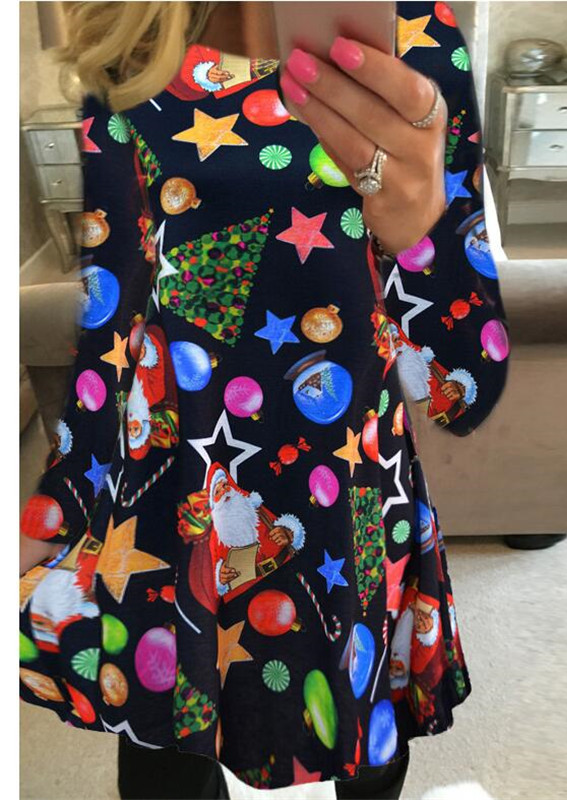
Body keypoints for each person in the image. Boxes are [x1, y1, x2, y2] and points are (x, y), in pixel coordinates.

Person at [19, 2, 510, 797]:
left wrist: (420, 226)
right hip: (173, 468)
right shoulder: (130, 38)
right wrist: (60, 499)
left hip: (345, 465)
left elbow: (462, 383)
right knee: (164, 751)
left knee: (362, 725)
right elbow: (113, 300)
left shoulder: (418, 31)